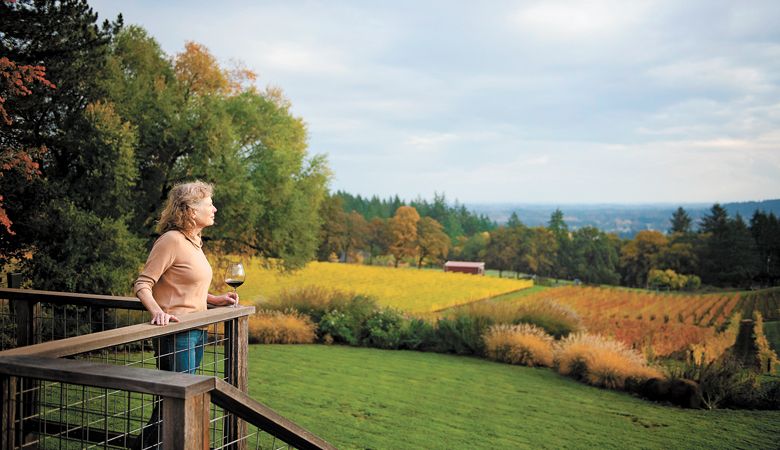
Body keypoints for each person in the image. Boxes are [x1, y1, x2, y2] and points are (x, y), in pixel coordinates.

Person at [131, 180, 237, 449]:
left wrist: (215, 299)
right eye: (208, 204)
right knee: (178, 400)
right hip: (177, 332)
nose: (214, 208)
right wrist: (158, 312)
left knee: (172, 401)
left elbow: (186, 286)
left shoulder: (195, 242)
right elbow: (143, 284)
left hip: (197, 330)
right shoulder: (171, 240)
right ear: (191, 210)